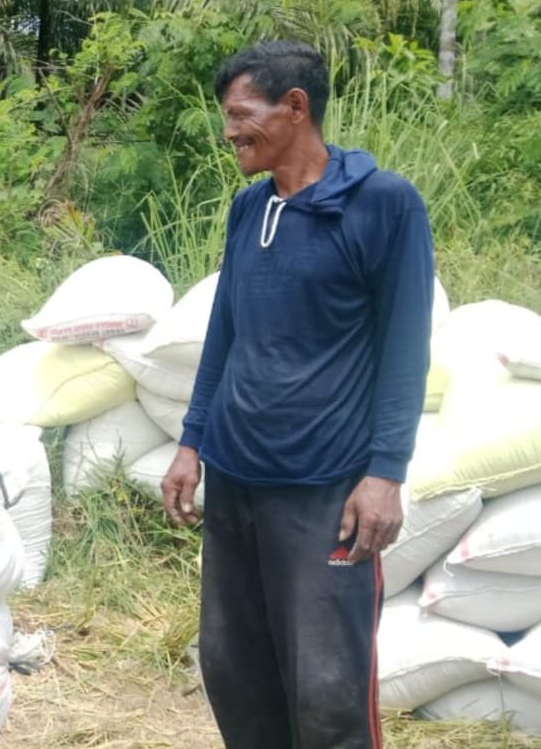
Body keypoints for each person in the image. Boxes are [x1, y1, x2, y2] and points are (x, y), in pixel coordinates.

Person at [161, 40, 435, 749]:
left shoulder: (383, 204)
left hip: (324, 488)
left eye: (239, 115)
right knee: (235, 672)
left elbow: (406, 348)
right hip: (236, 480)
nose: (229, 132)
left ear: (294, 107)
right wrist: (192, 443)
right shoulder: (249, 209)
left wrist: (385, 474)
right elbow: (225, 331)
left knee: (327, 692)